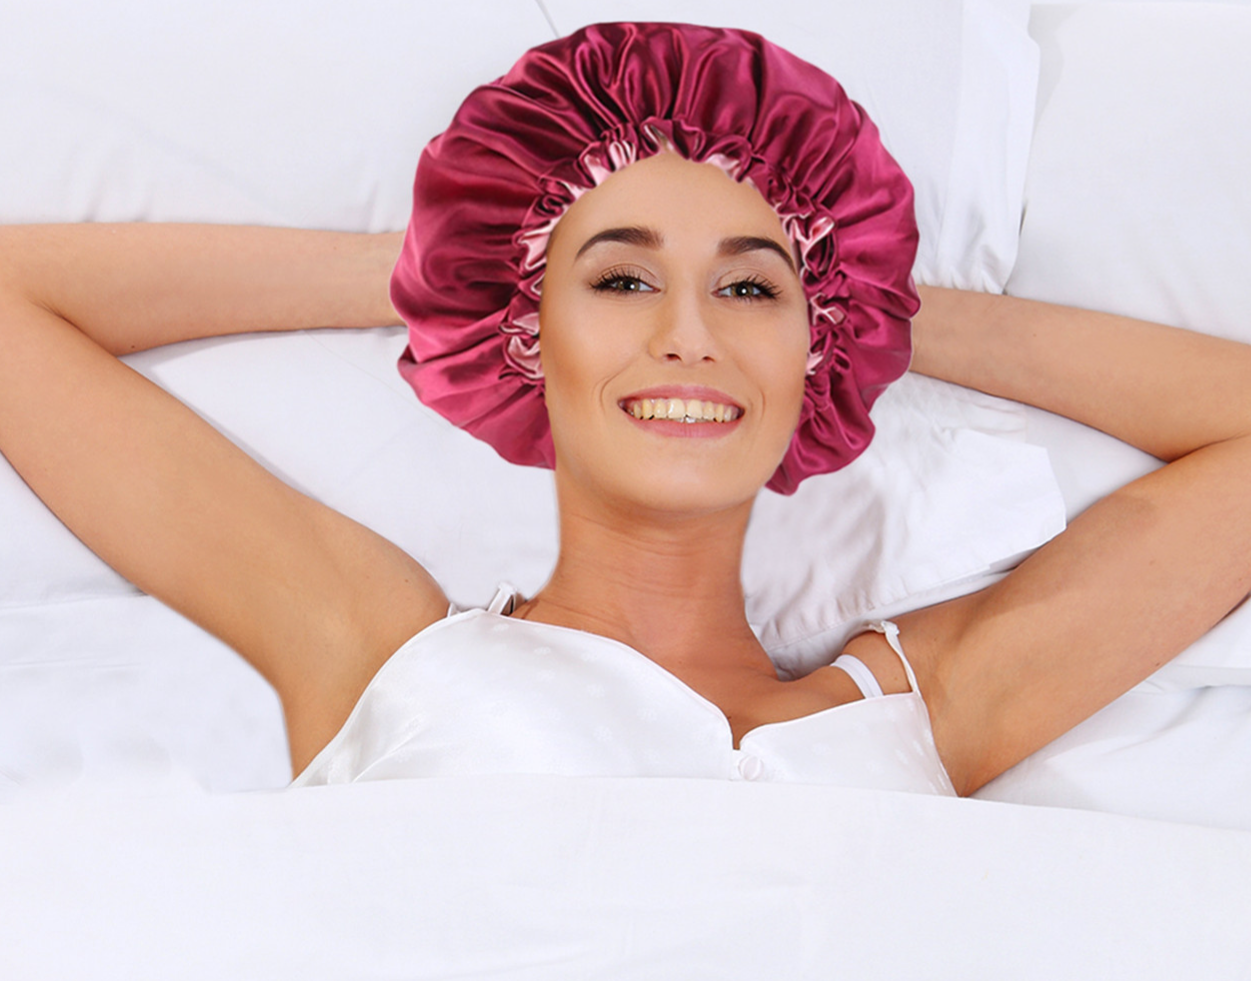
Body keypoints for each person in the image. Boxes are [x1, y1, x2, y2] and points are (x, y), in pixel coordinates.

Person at [0, 22, 1247, 797]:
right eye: (622, 278)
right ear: (526, 331)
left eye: (748, 286)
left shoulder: (929, 705)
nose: (688, 336)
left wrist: (873, 298)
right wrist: (439, 264)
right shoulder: (381, 648)